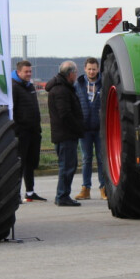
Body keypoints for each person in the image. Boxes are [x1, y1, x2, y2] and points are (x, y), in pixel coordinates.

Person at [46, 60, 85, 207]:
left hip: (64, 134)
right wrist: (78, 127)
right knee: (67, 166)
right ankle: (62, 195)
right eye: (75, 72)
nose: (76, 75)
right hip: (66, 135)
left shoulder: (62, 88)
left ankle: (63, 194)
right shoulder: (62, 90)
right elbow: (65, 114)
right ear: (70, 74)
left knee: (68, 165)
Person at [11, 60, 47, 202]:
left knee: (31, 163)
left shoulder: (30, 86)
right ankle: (15, 194)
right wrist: (17, 129)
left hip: (33, 131)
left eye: (30, 71)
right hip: (21, 132)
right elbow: (12, 110)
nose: (29, 74)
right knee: (19, 163)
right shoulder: (14, 87)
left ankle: (30, 192)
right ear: (18, 72)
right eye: (26, 72)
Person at [73, 57, 106, 200]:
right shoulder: (78, 85)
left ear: (98, 69)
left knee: (101, 159)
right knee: (86, 159)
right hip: (84, 129)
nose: (92, 71)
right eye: (89, 69)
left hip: (100, 129)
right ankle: (85, 189)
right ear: (85, 69)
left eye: (94, 69)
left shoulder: (104, 84)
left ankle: (104, 188)